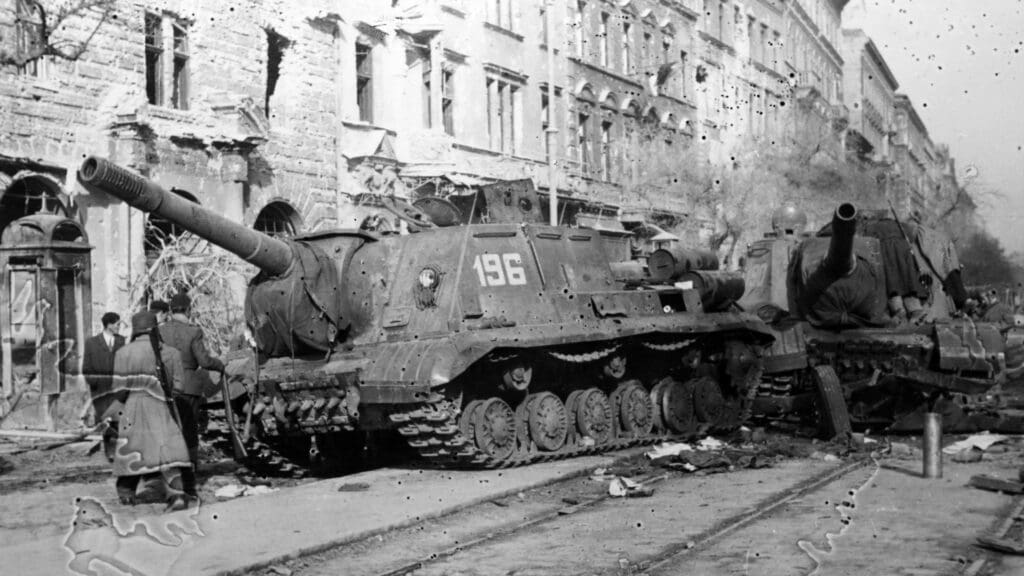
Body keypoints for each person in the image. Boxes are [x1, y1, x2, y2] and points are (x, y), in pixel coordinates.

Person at [108, 311, 190, 510]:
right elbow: (179, 387)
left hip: (133, 407)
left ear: (135, 331)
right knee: (168, 452)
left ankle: (126, 493)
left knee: (133, 450)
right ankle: (177, 495)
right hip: (162, 405)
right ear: (155, 329)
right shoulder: (171, 353)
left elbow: (119, 391)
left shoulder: (123, 353)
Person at [159, 293, 225, 497]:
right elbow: (204, 362)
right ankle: (190, 473)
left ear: (171, 311)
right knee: (189, 431)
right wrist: (220, 364)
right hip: (188, 387)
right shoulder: (193, 331)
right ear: (188, 310)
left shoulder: (160, 331)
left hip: (165, 387)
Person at [81, 312, 126, 461]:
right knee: (105, 419)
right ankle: (110, 450)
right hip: (100, 389)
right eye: (117, 324)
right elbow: (86, 368)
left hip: (117, 388)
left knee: (117, 419)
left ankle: (115, 450)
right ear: (109, 325)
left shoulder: (122, 341)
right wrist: (94, 383)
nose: (119, 327)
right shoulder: (92, 343)